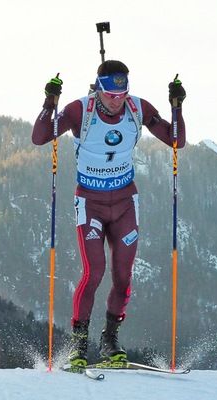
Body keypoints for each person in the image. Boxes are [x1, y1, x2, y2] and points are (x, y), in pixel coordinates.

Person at [32, 60, 186, 369]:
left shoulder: (138, 108)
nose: (117, 101)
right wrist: (50, 102)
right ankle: (79, 345)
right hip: (90, 203)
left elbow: (175, 141)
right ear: (98, 89)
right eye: (110, 94)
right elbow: (40, 136)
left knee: (123, 277)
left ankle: (110, 340)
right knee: (94, 272)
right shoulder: (81, 111)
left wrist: (177, 107)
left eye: (122, 93)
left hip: (126, 203)